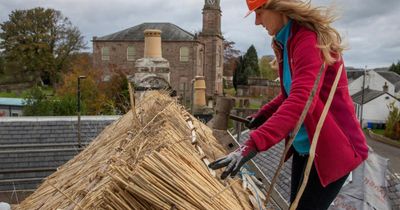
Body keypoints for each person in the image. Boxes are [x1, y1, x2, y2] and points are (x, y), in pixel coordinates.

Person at [208, 0, 369, 209]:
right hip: (305, 147)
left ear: (277, 7)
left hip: (329, 149)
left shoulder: (307, 40)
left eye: (259, 13)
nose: (257, 22)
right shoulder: (288, 41)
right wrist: (265, 114)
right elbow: (292, 92)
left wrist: (253, 143)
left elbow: (302, 100)